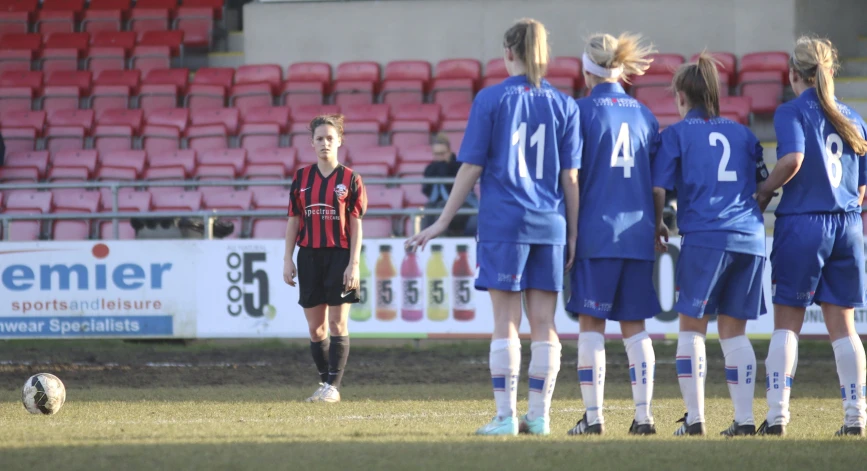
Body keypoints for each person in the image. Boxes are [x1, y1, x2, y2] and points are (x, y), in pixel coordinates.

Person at [406, 18, 581, 436]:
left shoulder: (490, 99)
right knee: (546, 323)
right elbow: (570, 178)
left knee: (505, 320)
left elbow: (471, 166)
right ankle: (538, 418)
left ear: (508, 52)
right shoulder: (565, 104)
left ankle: (505, 418)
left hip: (505, 222)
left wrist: (442, 220)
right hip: (550, 225)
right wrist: (572, 233)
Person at [755, 36, 867, 437]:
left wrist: (764, 190)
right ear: (830, 72)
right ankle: (856, 418)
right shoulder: (853, 117)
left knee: (787, 322)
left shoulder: (791, 112)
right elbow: (860, 189)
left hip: (805, 223)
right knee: (844, 327)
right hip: (849, 225)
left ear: (792, 75)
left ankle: (777, 416)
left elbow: (793, 159)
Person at [652, 53, 769, 437]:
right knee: (735, 333)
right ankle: (745, 421)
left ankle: (696, 418)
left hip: (706, 237)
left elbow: (658, 188)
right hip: (750, 237)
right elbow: (762, 185)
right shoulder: (744, 133)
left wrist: (657, 223)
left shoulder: (676, 135)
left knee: (692, 330)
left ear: (682, 96)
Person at [564, 32, 662, 437]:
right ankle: (644, 417)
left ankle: (595, 416)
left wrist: (569, 234)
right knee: (635, 327)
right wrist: (657, 223)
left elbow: (569, 176)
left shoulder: (578, 112)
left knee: (591, 325)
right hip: (637, 234)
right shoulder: (645, 114)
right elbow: (657, 183)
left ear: (586, 69)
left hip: (595, 233)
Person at [283, 114, 368, 404]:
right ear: (312, 143)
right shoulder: (301, 178)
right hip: (308, 257)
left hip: (339, 256)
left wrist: (354, 264)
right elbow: (294, 220)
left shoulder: (351, 179)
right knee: (315, 328)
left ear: (339, 141)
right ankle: (324, 383)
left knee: (337, 324)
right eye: (319, 138)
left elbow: (356, 224)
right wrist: (287, 259)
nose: (325, 143)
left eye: (330, 138)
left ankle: (334, 386)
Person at [421, 133, 478, 235]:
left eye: (442, 153)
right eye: (436, 154)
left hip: (463, 204)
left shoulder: (459, 166)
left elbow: (461, 190)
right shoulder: (430, 169)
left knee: (441, 208)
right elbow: (427, 191)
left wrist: (445, 168)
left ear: (449, 152)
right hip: (438, 204)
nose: (439, 157)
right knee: (428, 209)